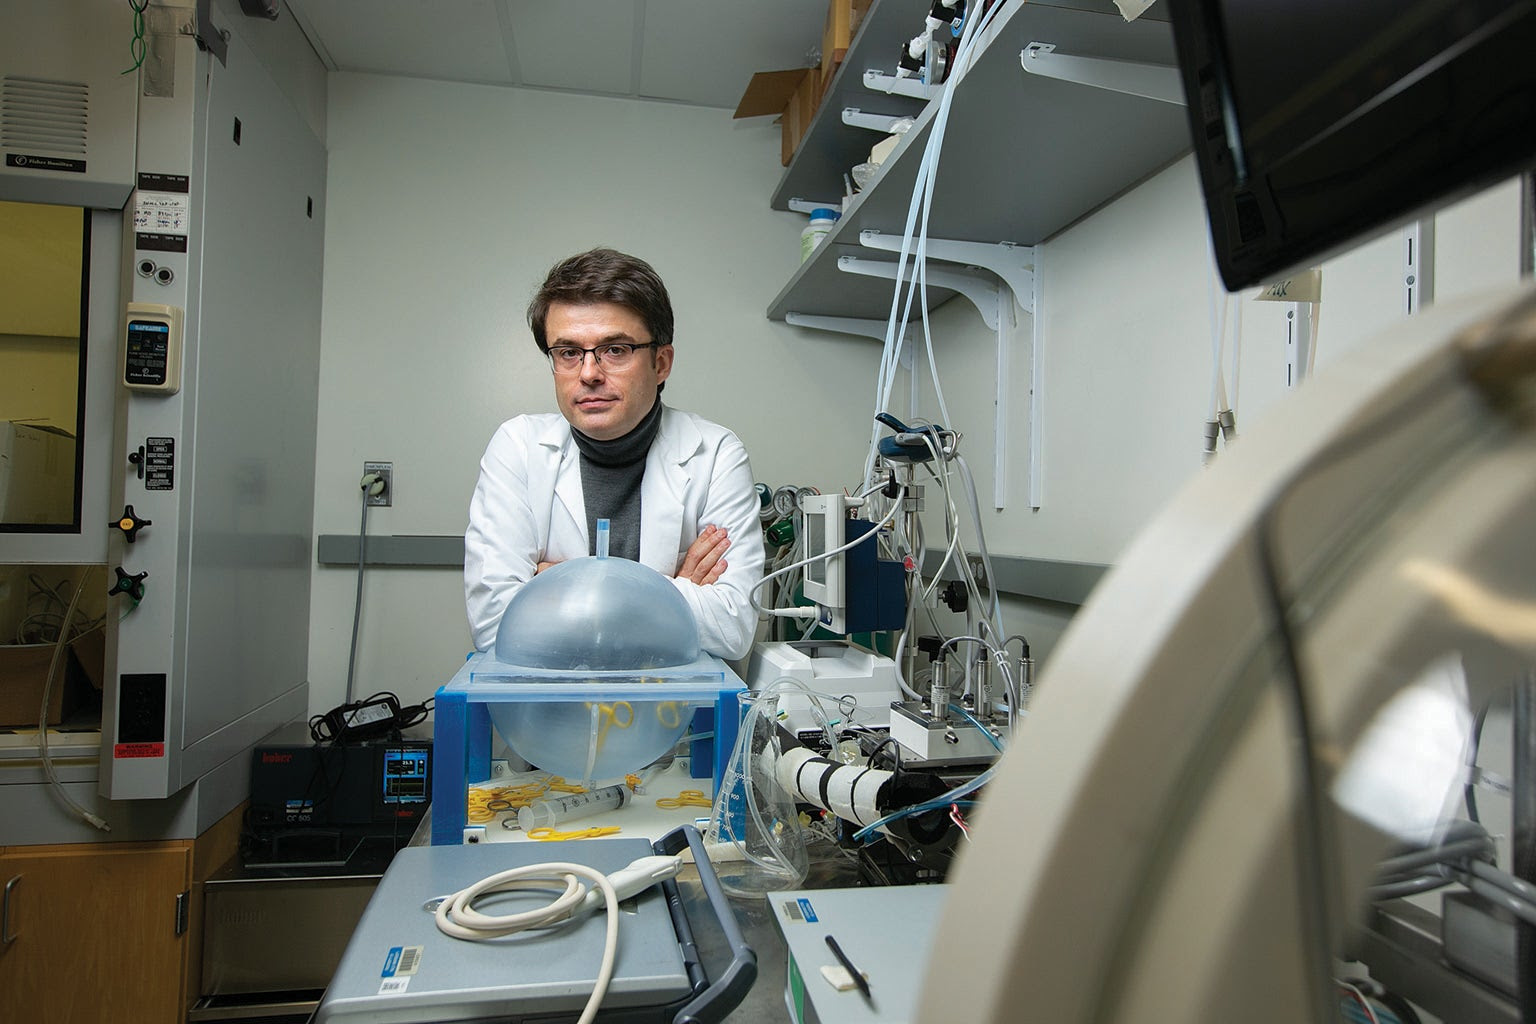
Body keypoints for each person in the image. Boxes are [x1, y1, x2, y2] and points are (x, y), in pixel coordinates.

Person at [464, 248, 765, 660]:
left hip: (675, 716)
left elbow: (732, 626)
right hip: (549, 715)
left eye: (615, 349)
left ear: (661, 363)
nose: (588, 373)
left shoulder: (714, 454)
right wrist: (669, 589)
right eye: (568, 352)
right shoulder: (517, 448)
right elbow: (493, 625)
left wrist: (559, 587)